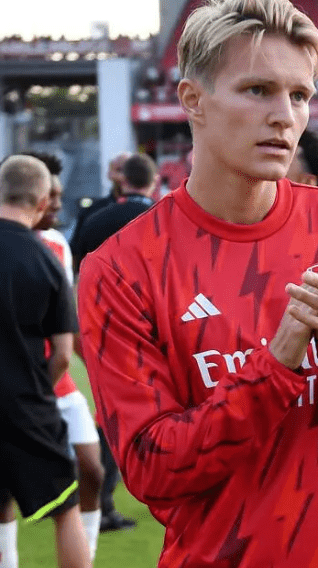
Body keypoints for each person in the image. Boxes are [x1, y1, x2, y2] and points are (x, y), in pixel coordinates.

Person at [77, 0, 318, 567]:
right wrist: (279, 363)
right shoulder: (121, 269)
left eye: (300, 95)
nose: (284, 116)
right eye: (258, 90)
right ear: (193, 99)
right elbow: (152, 469)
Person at [0, 151, 106, 559]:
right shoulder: (45, 258)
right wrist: (33, 393)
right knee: (65, 509)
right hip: (27, 405)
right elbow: (63, 353)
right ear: (43, 202)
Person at [72, 152, 160, 533]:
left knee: (114, 412)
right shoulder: (165, 215)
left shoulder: (95, 220)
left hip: (103, 326)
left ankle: (104, 497)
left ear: (123, 181)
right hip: (157, 326)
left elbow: (75, 273)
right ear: (153, 181)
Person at [69, 151, 130, 247]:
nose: (125, 176)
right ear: (109, 174)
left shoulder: (150, 210)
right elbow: (77, 251)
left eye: (130, 171)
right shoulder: (91, 212)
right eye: (120, 170)